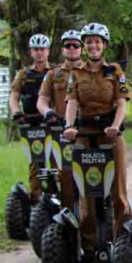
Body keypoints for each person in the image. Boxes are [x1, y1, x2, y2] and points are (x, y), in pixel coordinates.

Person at [62, 23, 132, 259]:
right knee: (88, 192)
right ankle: (90, 247)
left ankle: (124, 244)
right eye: (89, 42)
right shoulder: (76, 73)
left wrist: (116, 126)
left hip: (110, 135)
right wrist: (69, 126)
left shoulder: (115, 71)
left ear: (104, 45)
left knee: (118, 191)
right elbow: (72, 102)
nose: (93, 46)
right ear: (84, 46)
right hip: (84, 135)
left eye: (97, 42)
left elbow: (122, 102)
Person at [37, 30, 84, 210]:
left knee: (88, 172)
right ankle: (67, 213)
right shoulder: (53, 74)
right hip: (61, 130)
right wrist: (48, 112)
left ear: (81, 48)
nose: (71, 48)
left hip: (85, 129)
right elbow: (42, 99)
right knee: (65, 174)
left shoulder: (91, 70)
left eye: (75, 45)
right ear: (62, 49)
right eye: (67, 45)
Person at [9, 33, 52, 204]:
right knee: (36, 163)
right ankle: (37, 200)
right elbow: (14, 96)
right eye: (36, 50)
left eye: (42, 49)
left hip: (52, 123)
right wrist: (16, 112)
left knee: (57, 160)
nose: (39, 53)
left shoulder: (55, 72)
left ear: (47, 51)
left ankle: (60, 196)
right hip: (31, 124)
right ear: (31, 52)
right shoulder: (24, 74)